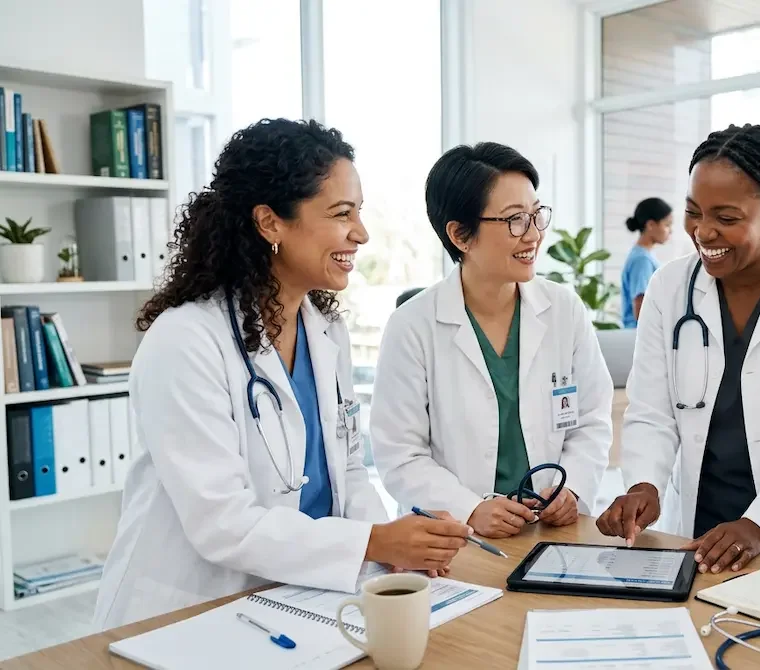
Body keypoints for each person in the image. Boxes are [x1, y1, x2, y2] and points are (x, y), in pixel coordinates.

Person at [93, 119, 472, 631]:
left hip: (298, 599)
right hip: (187, 612)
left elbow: (350, 472)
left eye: (359, 212)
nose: (360, 233)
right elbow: (221, 524)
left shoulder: (325, 331)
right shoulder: (185, 340)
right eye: (342, 214)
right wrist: (376, 542)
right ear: (270, 223)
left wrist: (395, 542)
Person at [596, 124, 760, 576]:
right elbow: (651, 410)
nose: (703, 231)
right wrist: (645, 484)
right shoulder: (669, 287)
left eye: (726, 217)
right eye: (693, 212)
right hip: (701, 529)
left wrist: (757, 524)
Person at [370, 142, 613, 540]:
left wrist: (573, 489)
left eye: (536, 215)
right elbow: (400, 455)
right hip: (457, 539)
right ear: (461, 235)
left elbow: (592, 420)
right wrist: (470, 509)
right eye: (515, 220)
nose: (533, 234)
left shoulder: (563, 309)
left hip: (550, 530)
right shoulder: (413, 326)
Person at [621, 197, 673, 328]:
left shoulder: (643, 255)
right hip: (640, 336)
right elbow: (640, 310)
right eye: (667, 225)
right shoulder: (642, 260)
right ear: (650, 225)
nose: (670, 230)